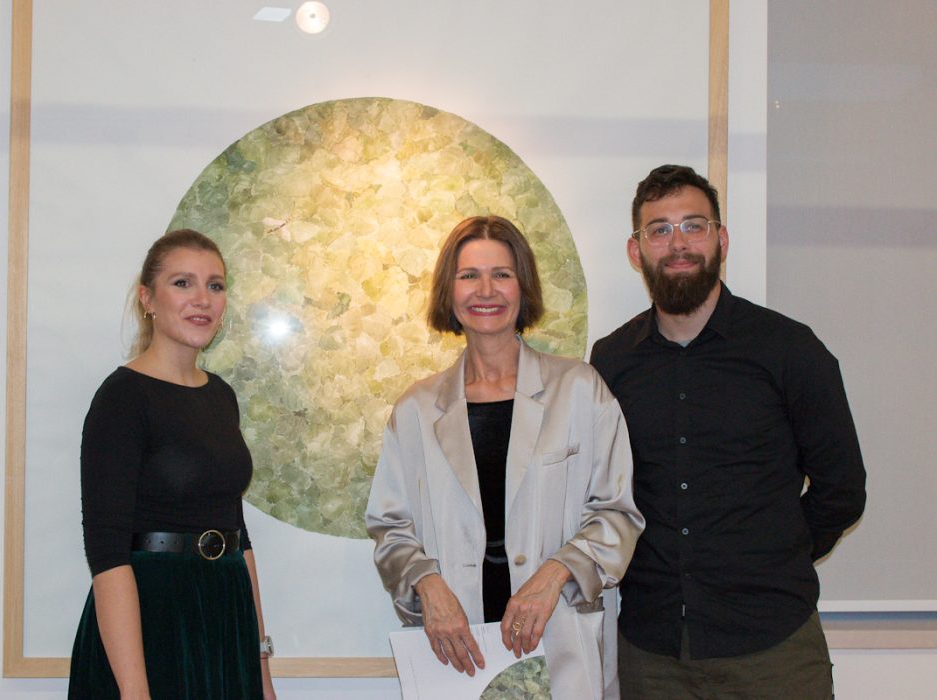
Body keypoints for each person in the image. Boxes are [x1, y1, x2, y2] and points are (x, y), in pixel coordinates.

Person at [590, 165, 867, 699]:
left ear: (721, 239)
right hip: (651, 652)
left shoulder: (790, 350)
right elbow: (599, 492)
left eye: (693, 226)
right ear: (635, 251)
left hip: (773, 650)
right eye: (659, 230)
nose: (678, 244)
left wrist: (775, 554)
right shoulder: (611, 362)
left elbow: (842, 489)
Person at [366, 215, 644, 699]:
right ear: (449, 291)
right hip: (457, 649)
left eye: (501, 274)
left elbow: (617, 514)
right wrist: (427, 585)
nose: (485, 290)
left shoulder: (579, 390)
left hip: (559, 637)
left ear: (523, 286)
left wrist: (555, 574)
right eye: (469, 275)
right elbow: (390, 528)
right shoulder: (416, 410)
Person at [68, 229, 276, 700]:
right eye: (183, 283)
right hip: (151, 626)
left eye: (215, 285)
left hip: (224, 619)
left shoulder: (221, 396)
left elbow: (240, 537)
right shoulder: (122, 397)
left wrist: (261, 671)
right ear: (148, 299)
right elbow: (107, 554)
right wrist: (135, 692)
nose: (202, 299)